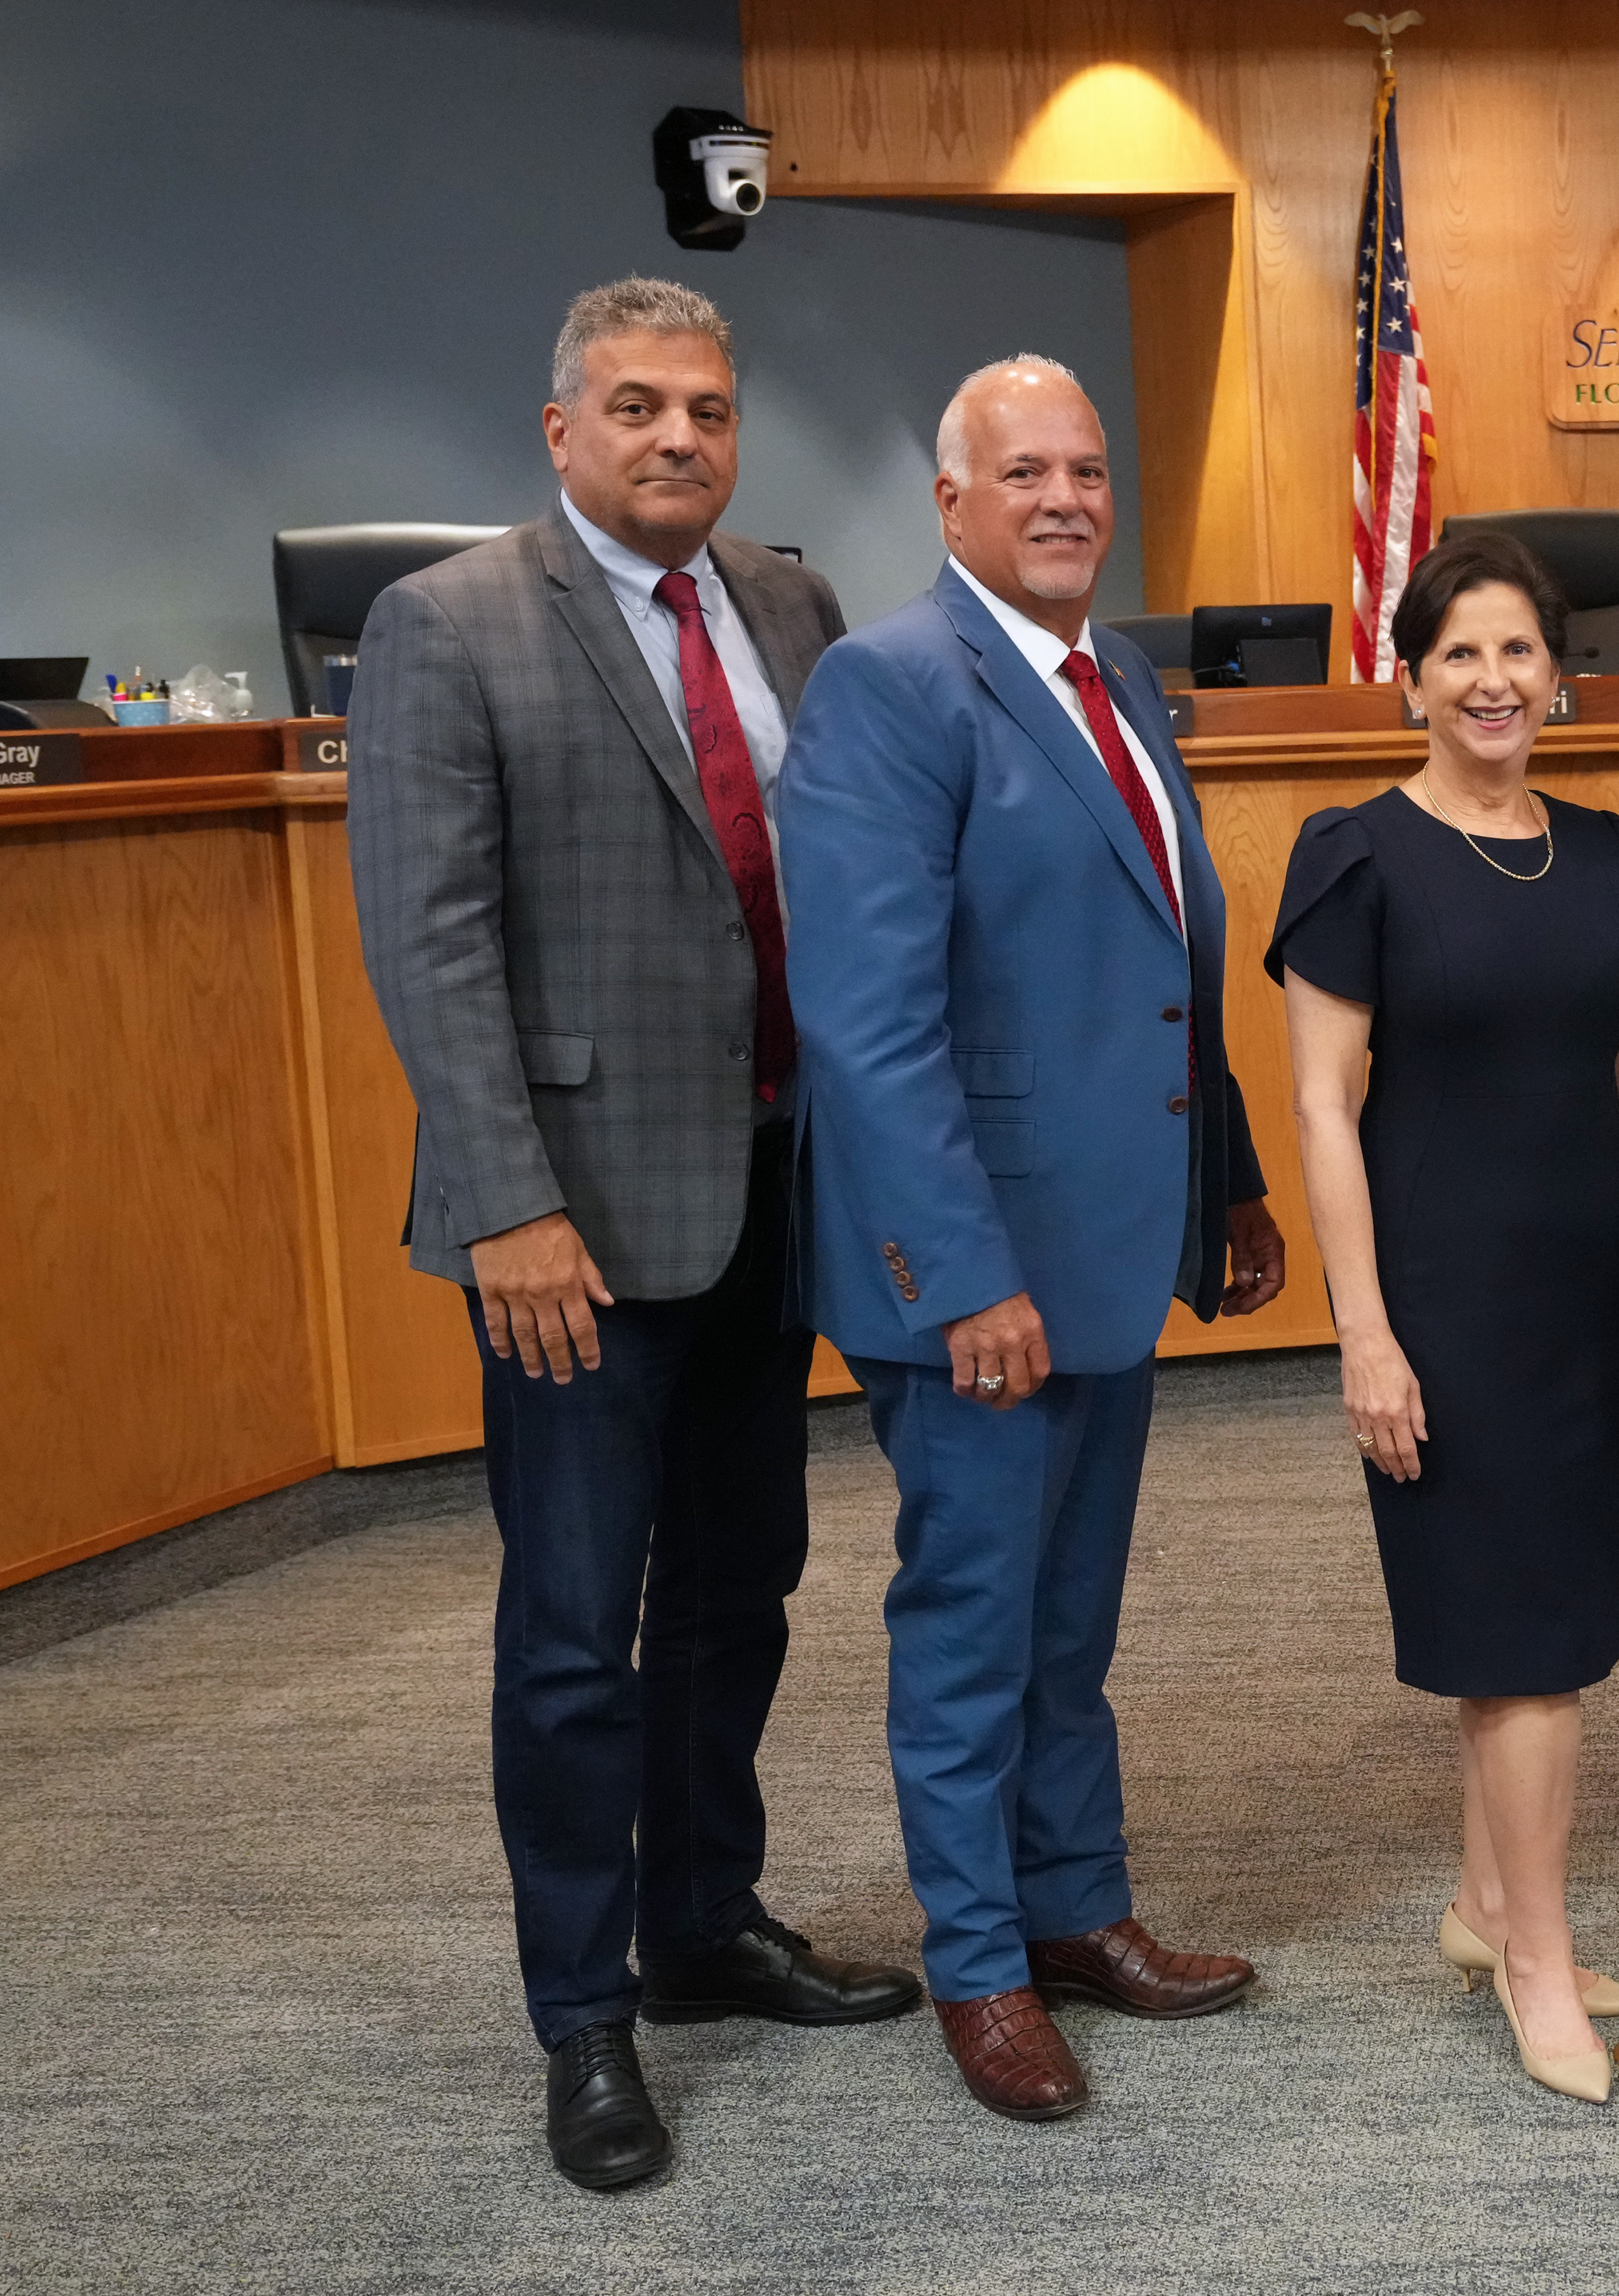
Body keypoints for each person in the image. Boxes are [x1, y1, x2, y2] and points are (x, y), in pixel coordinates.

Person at [347, 277, 916, 2193]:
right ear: (563, 428)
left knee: (741, 1587)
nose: (682, 437)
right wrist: (504, 1197)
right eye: (642, 407)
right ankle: (581, 2016)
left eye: (710, 409)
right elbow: (430, 944)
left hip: (776, 1192)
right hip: (570, 1224)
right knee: (578, 1632)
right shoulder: (448, 624)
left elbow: (837, 872)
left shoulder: (788, 602)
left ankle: (702, 1927)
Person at [777, 354, 1288, 2124]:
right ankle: (978, 1963)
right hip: (980, 1275)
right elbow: (870, 1020)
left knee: (1068, 1625)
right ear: (953, 503)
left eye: (1087, 467)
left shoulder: (1117, 675)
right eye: (1026, 473)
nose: (1067, 497)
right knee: (975, 1628)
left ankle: (1077, 1911)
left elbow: (1167, 966)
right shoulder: (891, 687)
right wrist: (963, 1272)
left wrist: (1226, 1177)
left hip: (1109, 1241)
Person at [1267, 530, 1619, 2107]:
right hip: (1447, 1300)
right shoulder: (1356, 852)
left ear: (1559, 678)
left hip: (1589, 1291)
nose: (1493, 679)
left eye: (1519, 650)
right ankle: (1538, 1960)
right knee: (1521, 1648)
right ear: (1412, 680)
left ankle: (1485, 1910)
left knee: (1558, 1625)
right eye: (1460, 652)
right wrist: (1364, 1334)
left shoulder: (1603, 852)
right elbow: (1324, 1109)